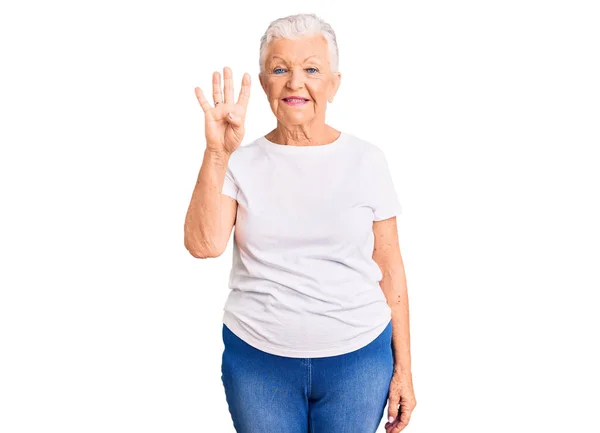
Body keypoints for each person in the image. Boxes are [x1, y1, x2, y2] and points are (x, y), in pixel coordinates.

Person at [184, 13, 416, 433]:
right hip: (258, 363)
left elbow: (390, 266)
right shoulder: (238, 162)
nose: (295, 83)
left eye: (311, 69)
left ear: (334, 83)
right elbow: (204, 245)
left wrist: (405, 369)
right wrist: (216, 153)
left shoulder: (367, 160)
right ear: (263, 81)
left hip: (358, 361)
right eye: (280, 69)